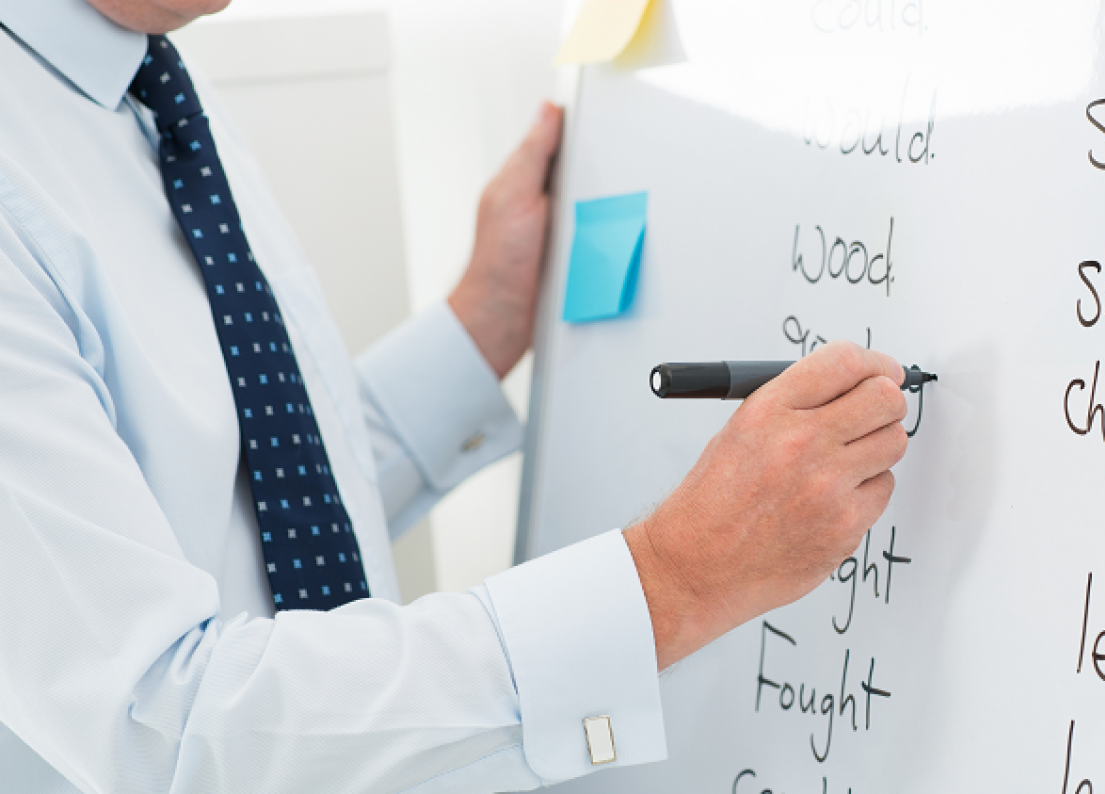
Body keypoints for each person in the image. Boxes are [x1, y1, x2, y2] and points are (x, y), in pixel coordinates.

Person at [0, 0, 912, 791]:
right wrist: (673, 578)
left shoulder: (145, 88)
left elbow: (242, 506)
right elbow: (161, 733)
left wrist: (480, 327)